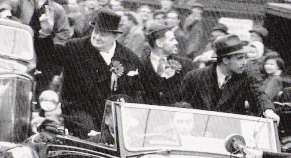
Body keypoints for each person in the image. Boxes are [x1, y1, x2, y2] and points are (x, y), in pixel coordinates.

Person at [36, 8, 144, 138]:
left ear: (115, 36)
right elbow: (47, 58)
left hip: (113, 118)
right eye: (96, 32)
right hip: (78, 114)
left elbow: (136, 90)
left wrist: (132, 116)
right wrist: (45, 33)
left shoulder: (129, 58)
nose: (97, 37)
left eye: (103, 35)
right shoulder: (75, 47)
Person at [180, 34, 279, 122]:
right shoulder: (194, 77)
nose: (244, 62)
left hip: (230, 135)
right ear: (226, 60)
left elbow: (259, 95)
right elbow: (182, 106)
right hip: (197, 134)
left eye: (244, 57)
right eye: (239, 58)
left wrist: (268, 111)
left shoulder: (246, 77)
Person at [139, 22, 194, 106]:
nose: (176, 42)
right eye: (172, 40)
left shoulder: (185, 64)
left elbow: (192, 95)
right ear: (159, 43)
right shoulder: (139, 65)